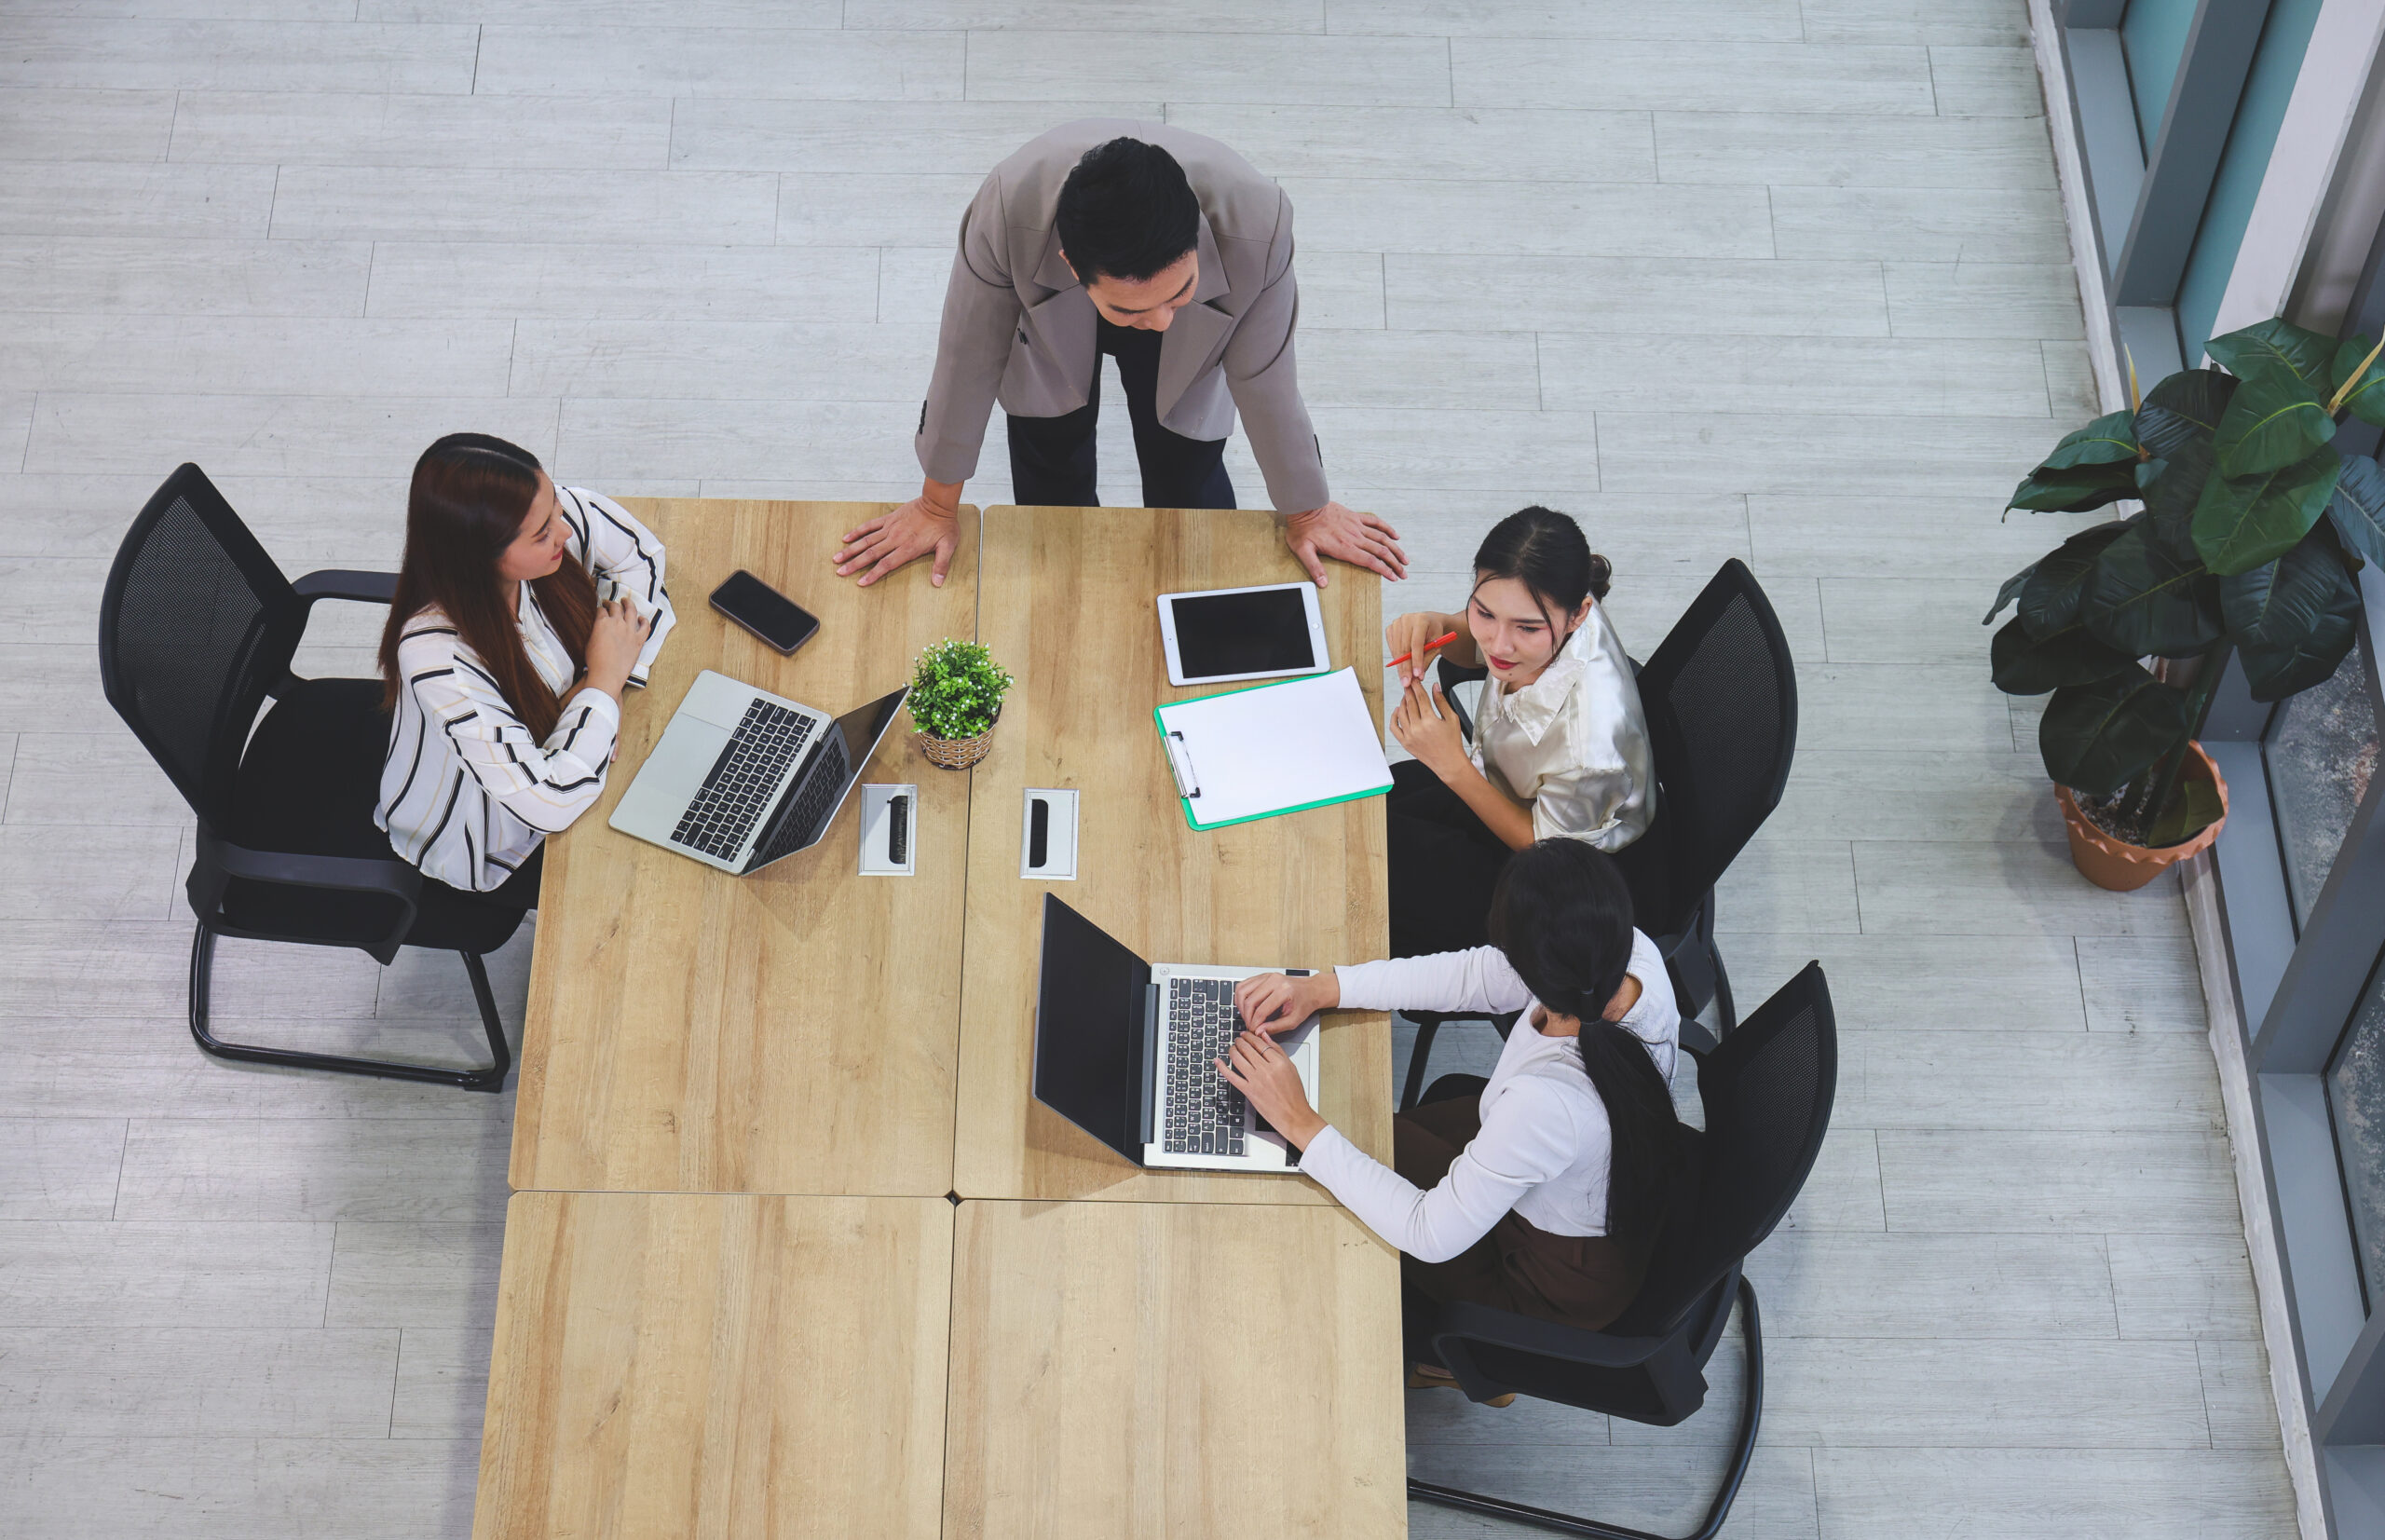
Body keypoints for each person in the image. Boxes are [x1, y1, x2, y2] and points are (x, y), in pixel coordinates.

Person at [833, 119, 1407, 592]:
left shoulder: (1258, 223)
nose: (1157, 322)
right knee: (1049, 458)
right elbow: (968, 354)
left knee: (1187, 460)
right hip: (1050, 318)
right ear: (1071, 264)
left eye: (1175, 293)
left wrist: (1307, 510)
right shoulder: (1008, 210)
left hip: (1192, 321)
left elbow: (1266, 377)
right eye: (1133, 312)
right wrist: (937, 506)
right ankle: (1067, 593)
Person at [1220, 840, 1693, 1365]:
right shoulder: (1627, 952)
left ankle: (1453, 1370)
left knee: (1318, 1160)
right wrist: (1326, 988)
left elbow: (1428, 1232)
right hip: (1547, 1168)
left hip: (1544, 1279)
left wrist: (1299, 1122)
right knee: (1354, 1130)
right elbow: (1473, 977)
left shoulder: (1547, 1105)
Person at [375, 433, 675, 908]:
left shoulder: (539, 528)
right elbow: (550, 803)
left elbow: (639, 556)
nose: (564, 529)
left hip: (565, 758)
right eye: (542, 533)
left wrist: (606, 679)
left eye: (554, 506)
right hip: (489, 831)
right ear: (478, 557)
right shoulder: (440, 662)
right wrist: (602, 683)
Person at [1379, 506, 1654, 957]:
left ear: (1580, 614)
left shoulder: (1590, 752)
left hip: (1551, 879)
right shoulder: (1555, 608)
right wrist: (1444, 627)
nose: (1498, 646)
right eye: (1484, 614)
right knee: (1371, 816)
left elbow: (1542, 849)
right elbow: (1485, 648)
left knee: (1374, 885)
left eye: (1526, 627)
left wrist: (1453, 768)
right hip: (1503, 781)